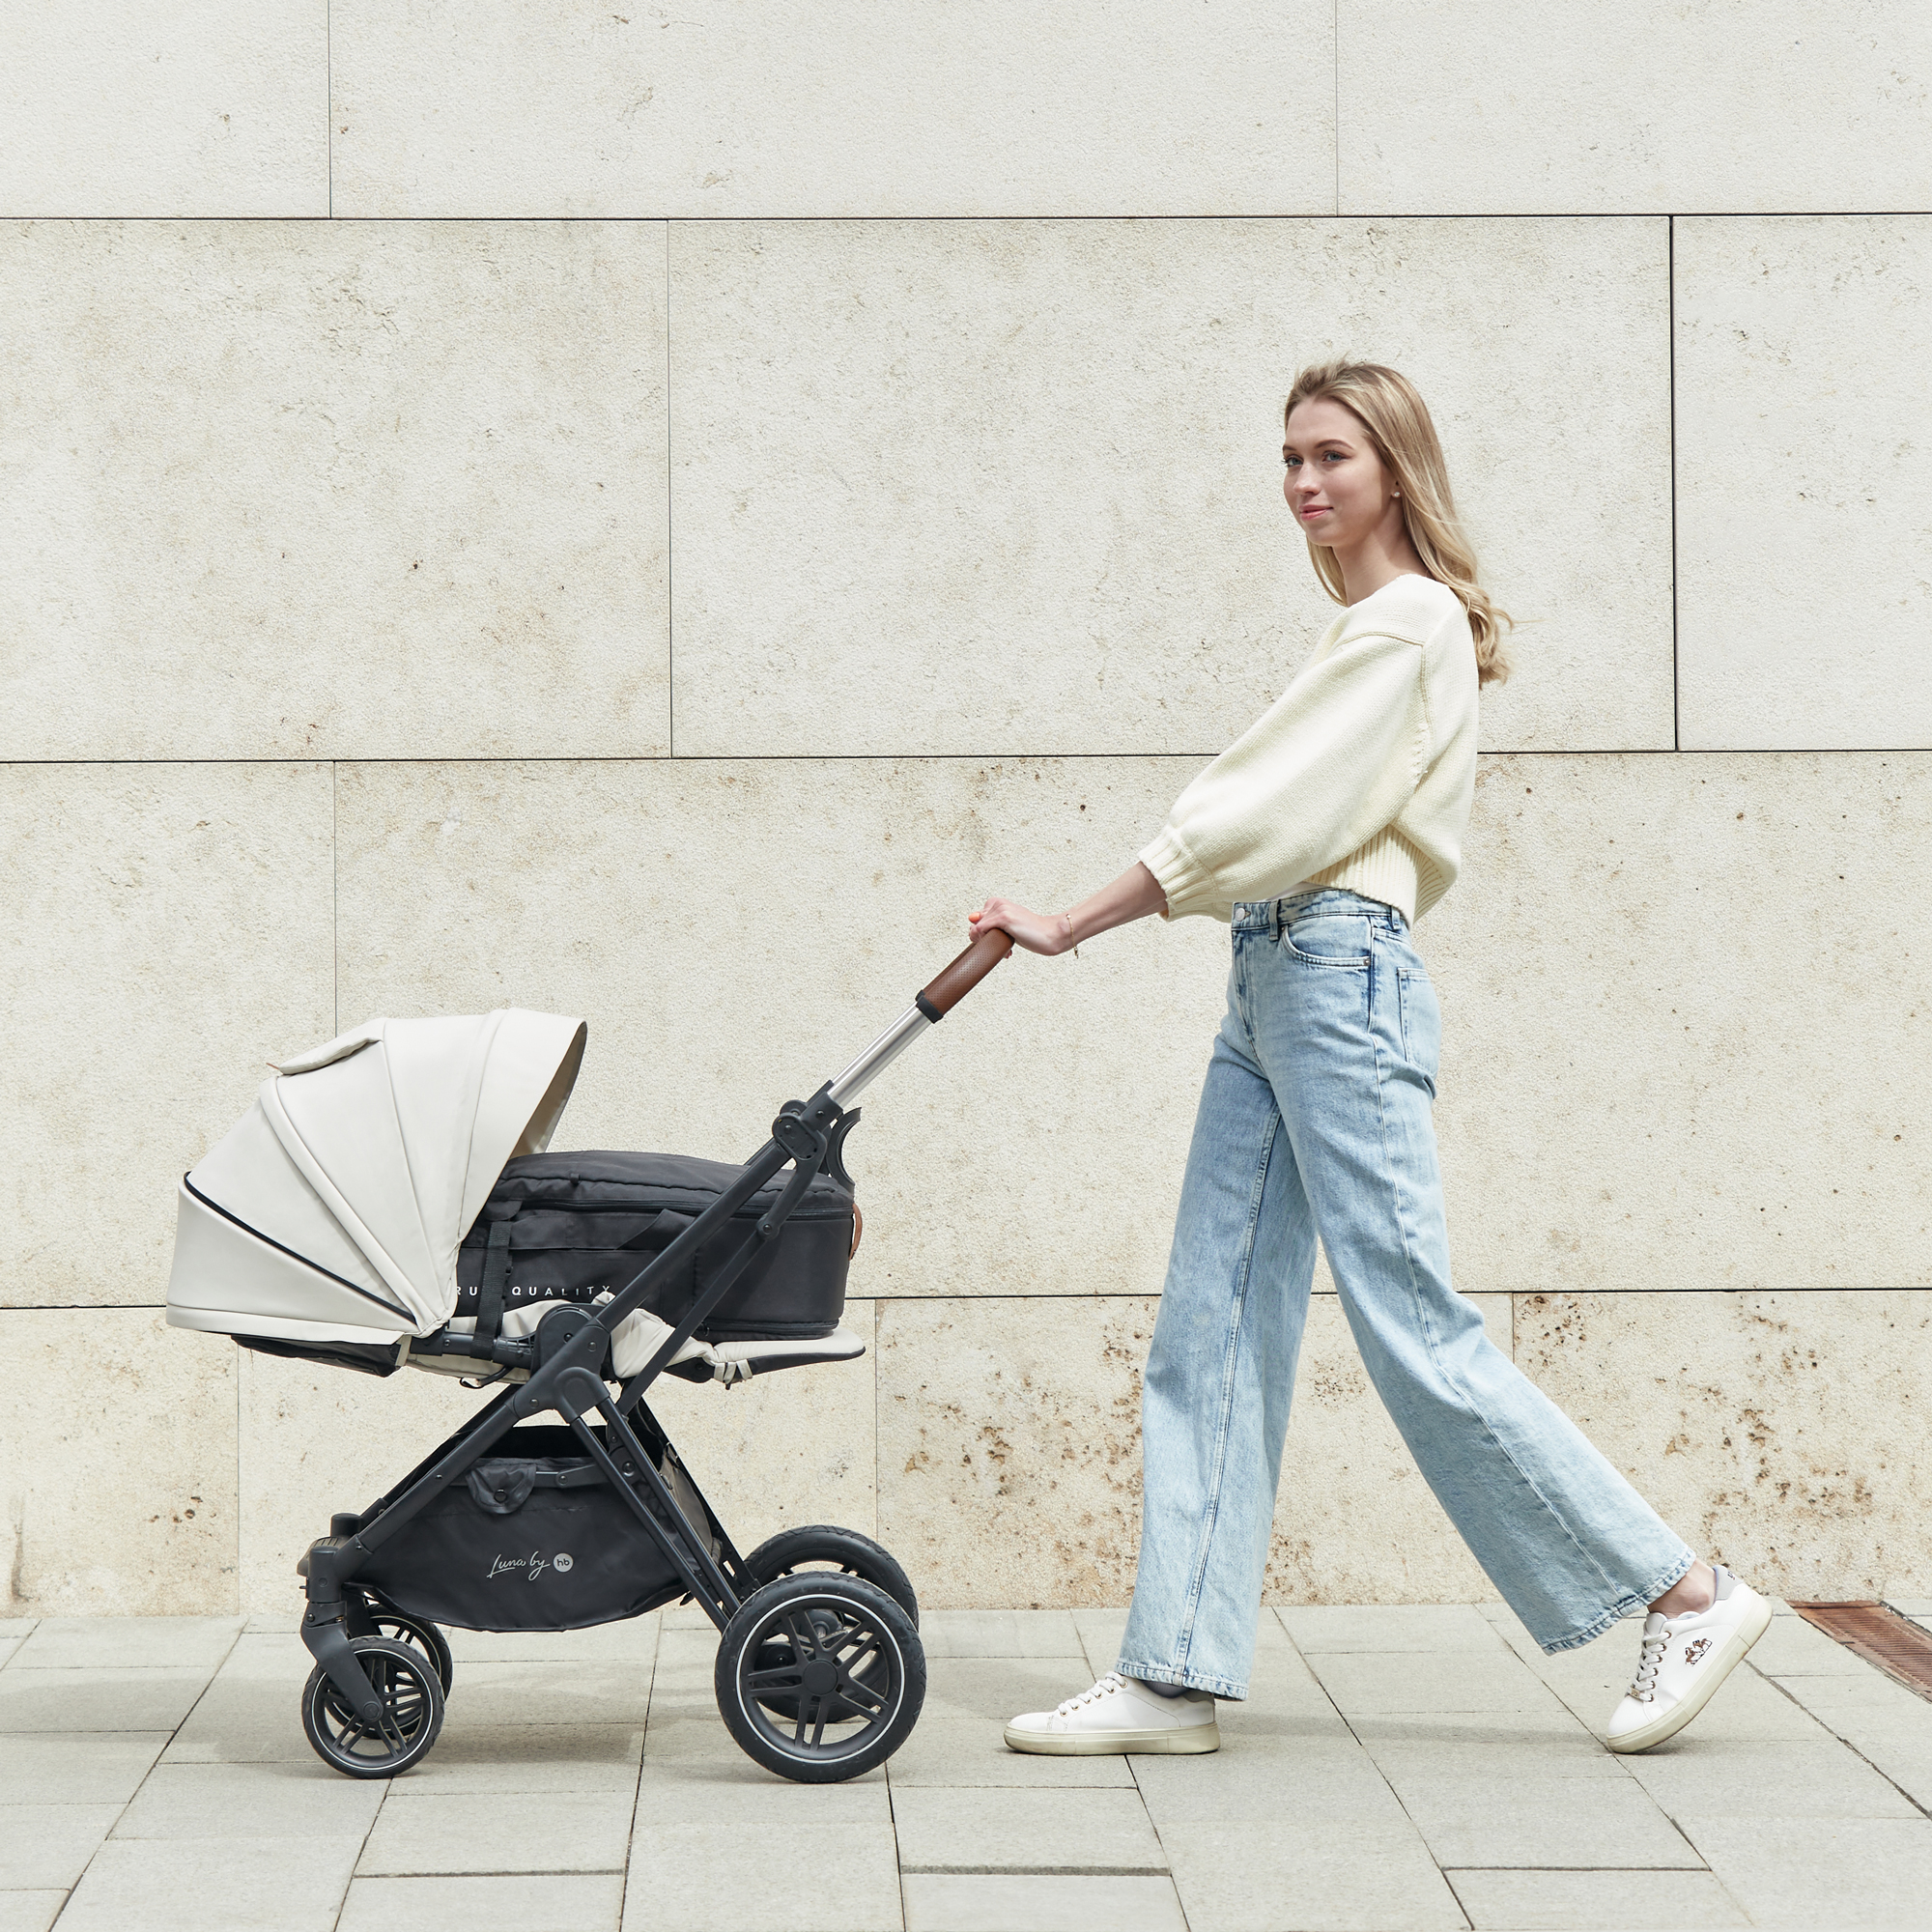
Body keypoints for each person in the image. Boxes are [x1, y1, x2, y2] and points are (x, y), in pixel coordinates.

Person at [972, 359, 1769, 1760]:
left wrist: (1074, 920)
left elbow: (1258, 814)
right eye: (1288, 459)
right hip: (1275, 977)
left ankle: (1685, 1592)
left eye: (1331, 456)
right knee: (1209, 1326)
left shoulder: (1407, 625)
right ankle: (1171, 1673)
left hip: (1335, 973)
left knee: (1412, 1323)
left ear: (1393, 468)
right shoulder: (1376, 633)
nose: (1302, 483)